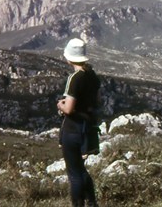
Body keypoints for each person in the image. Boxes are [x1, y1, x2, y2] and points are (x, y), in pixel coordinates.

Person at [57, 38, 101, 207]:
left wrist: (60, 105)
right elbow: (98, 101)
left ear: (69, 58)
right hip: (87, 128)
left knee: (74, 173)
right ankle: (92, 202)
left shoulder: (75, 78)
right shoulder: (92, 75)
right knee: (81, 170)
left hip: (72, 129)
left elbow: (68, 109)